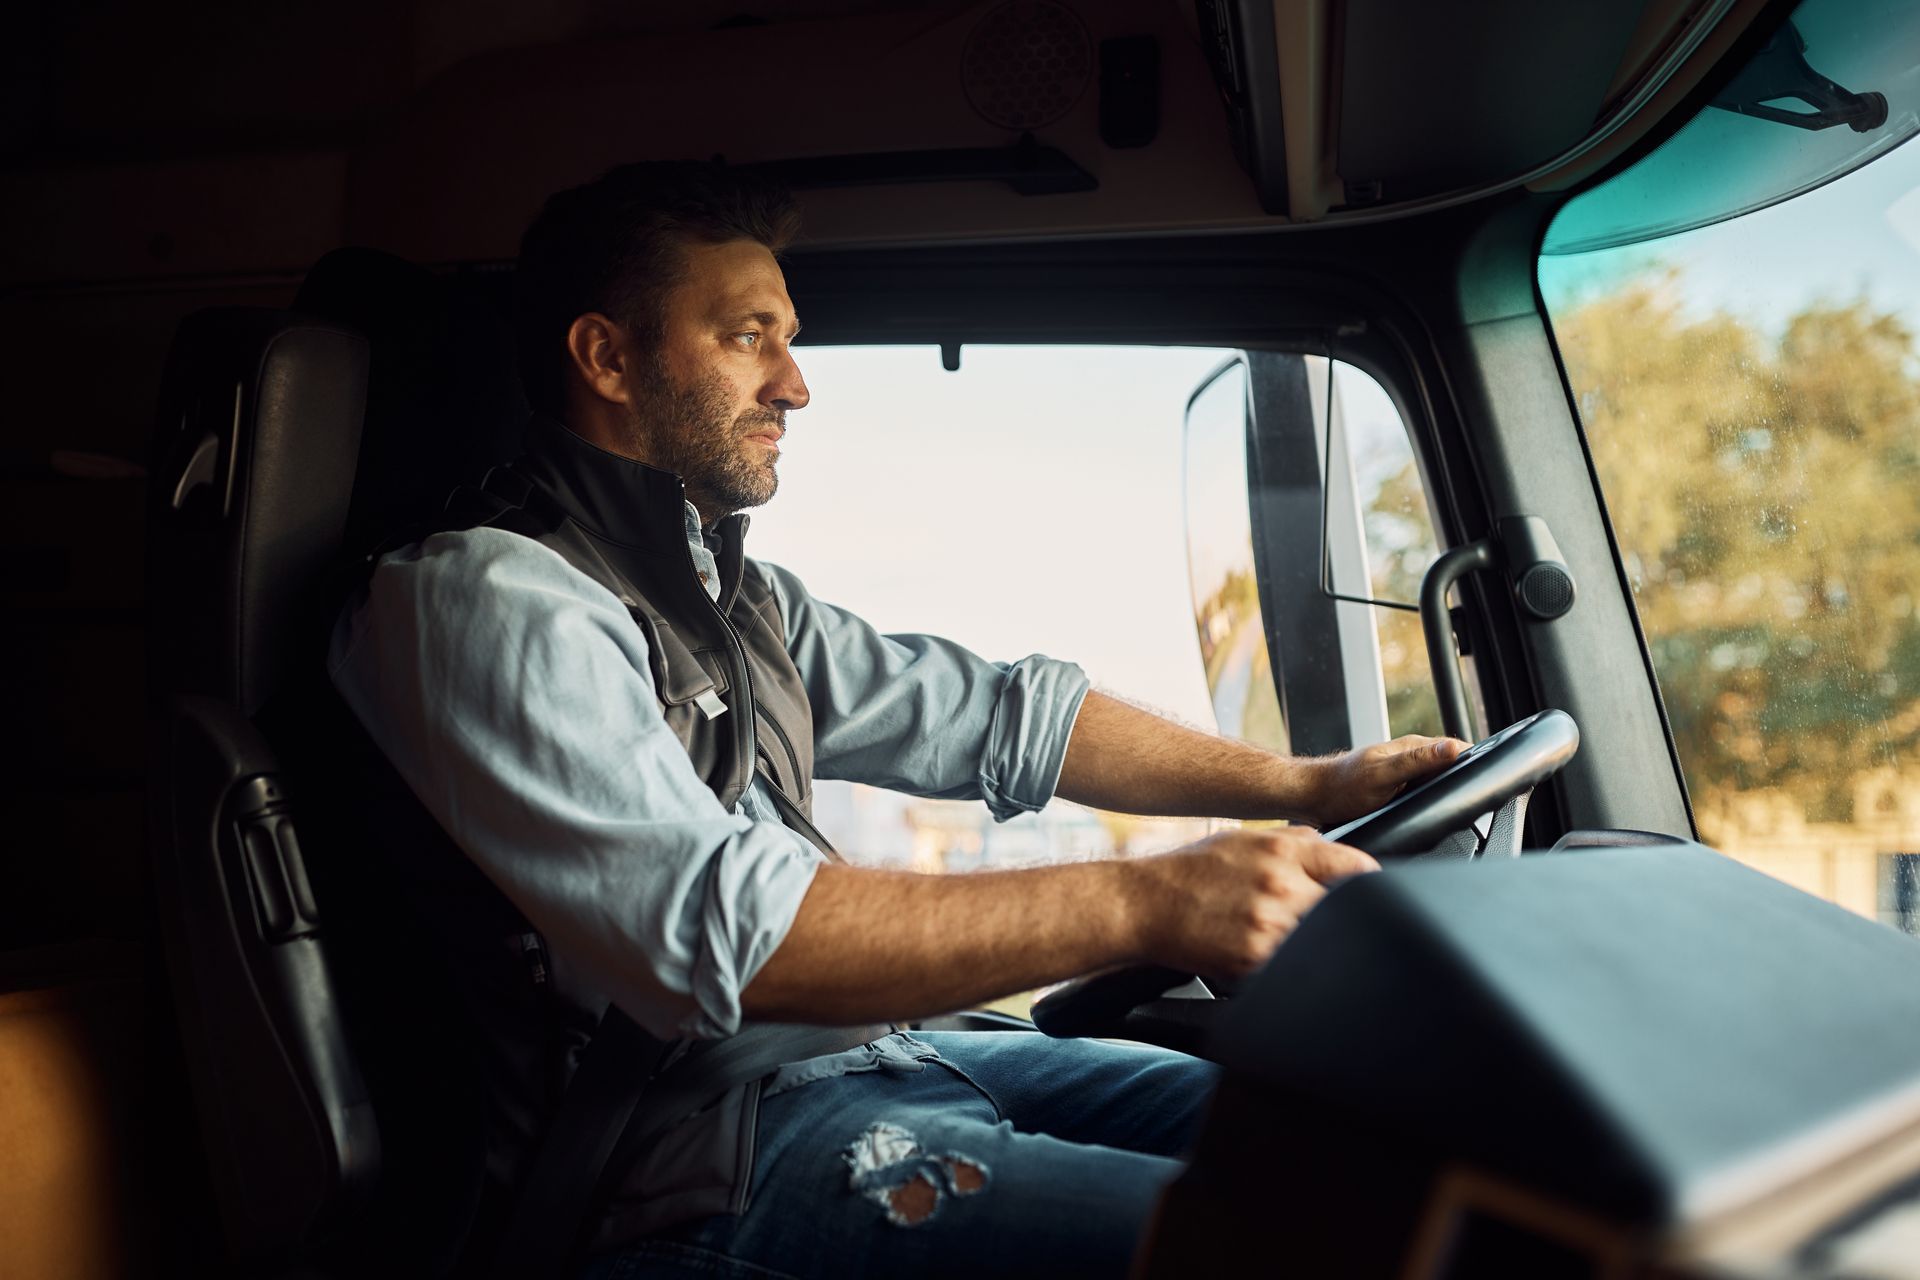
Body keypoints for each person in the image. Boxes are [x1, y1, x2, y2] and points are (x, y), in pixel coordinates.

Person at [327, 161, 1465, 1278]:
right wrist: (1153, 897)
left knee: (1387, 1154)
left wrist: (1309, 783)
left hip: (875, 1062)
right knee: (1301, 1249)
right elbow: (728, 930)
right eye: (747, 335)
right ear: (607, 357)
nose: (795, 383)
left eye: (790, 336)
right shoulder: (484, 600)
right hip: (674, 1162)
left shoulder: (729, 598)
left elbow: (998, 715)